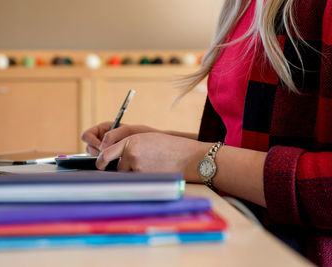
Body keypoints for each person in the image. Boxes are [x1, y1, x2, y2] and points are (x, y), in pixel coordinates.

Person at [82, 0, 332, 265]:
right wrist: (163, 144)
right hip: (238, 238)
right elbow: (246, 144)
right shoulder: (242, 6)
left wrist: (191, 159)